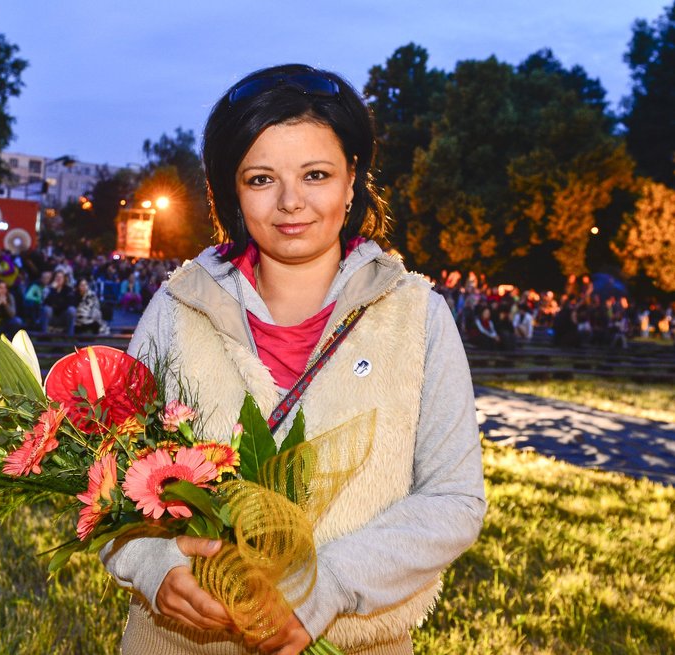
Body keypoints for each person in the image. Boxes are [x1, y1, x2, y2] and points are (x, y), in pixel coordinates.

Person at [101, 64, 485, 655]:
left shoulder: (417, 316)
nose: (290, 202)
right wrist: (152, 565)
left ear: (352, 177)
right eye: (260, 179)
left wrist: (324, 588)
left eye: (316, 174)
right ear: (230, 187)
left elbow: (453, 499)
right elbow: (105, 475)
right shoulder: (178, 306)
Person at [41, 271, 77, 335]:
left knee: (72, 310)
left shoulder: (68, 290)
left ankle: (70, 336)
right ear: (54, 279)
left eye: (61, 277)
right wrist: (53, 290)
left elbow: (70, 303)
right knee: (47, 309)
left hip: (63, 316)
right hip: (51, 316)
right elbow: (46, 303)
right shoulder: (48, 289)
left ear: (64, 279)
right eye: (57, 277)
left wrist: (56, 303)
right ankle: (44, 336)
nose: (59, 279)